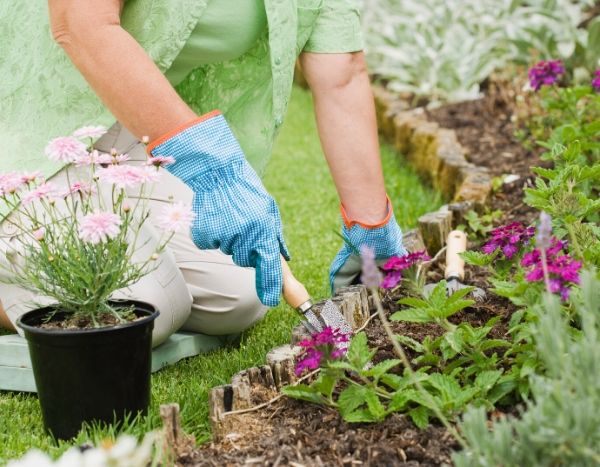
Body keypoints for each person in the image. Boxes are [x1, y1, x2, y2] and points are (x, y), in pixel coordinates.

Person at [0, 0, 406, 345]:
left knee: (240, 296)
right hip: (26, 126)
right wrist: (209, 164)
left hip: (134, 133)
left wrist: (371, 227)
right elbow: (80, 24)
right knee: (147, 308)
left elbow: (343, 72)